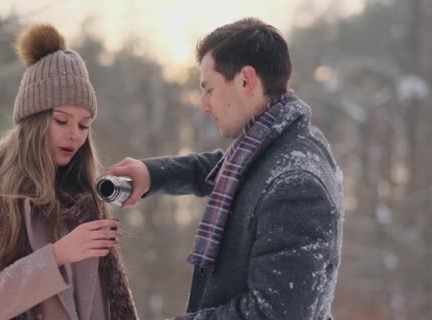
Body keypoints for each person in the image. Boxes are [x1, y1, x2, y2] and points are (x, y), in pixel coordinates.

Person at [106, 17, 344, 319]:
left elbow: (270, 315)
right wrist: (153, 174)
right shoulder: (280, 145)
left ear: (246, 80)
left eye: (209, 89)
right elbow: (230, 170)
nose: (204, 105)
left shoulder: (295, 185)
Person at [0, 24, 138, 320]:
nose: (75, 134)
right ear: (33, 120)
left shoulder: (87, 200)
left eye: (84, 125)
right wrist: (58, 255)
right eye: (62, 120)